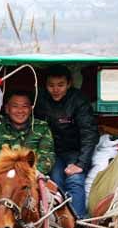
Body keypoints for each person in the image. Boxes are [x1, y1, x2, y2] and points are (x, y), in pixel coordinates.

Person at [35, 65, 98, 219]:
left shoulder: (78, 101)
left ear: (69, 84)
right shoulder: (41, 100)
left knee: (75, 180)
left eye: (61, 85)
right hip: (52, 152)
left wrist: (80, 164)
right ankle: (60, 223)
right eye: (51, 85)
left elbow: (89, 134)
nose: (56, 90)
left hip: (76, 151)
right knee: (55, 182)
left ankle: (78, 223)